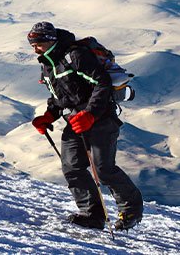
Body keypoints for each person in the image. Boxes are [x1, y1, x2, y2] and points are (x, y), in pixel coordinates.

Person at [28, 21, 143, 231]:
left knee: (104, 169)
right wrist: (48, 116)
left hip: (101, 118)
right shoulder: (47, 65)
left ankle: (131, 209)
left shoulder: (75, 56)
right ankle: (92, 215)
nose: (34, 48)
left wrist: (90, 114)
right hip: (75, 120)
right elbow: (59, 98)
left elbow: (102, 84)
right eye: (32, 44)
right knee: (71, 167)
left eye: (38, 43)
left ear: (51, 40)